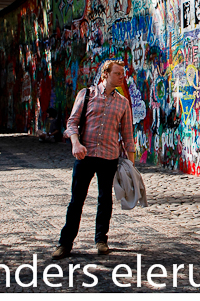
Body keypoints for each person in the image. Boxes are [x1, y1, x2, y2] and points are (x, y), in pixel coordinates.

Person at [52, 60, 135, 259]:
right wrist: (75, 143)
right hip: (85, 155)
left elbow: (128, 136)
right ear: (105, 74)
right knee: (76, 200)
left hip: (109, 157)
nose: (121, 77)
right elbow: (71, 123)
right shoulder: (86, 95)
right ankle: (65, 243)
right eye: (117, 73)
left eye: (122, 74)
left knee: (105, 200)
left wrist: (131, 167)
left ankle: (101, 240)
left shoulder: (123, 102)